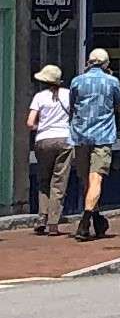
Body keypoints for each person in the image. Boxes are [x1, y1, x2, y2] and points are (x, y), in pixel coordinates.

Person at [66, 47, 120, 242]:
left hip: (80, 136)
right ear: (106, 64)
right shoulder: (112, 82)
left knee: (86, 181)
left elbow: (72, 105)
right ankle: (85, 222)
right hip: (102, 136)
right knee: (96, 180)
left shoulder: (77, 81)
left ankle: (97, 219)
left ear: (88, 63)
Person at [25, 65, 72, 236]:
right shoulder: (68, 94)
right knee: (59, 182)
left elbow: (30, 123)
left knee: (44, 180)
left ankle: (41, 218)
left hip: (43, 140)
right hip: (65, 139)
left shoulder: (39, 96)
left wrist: (42, 127)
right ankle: (53, 223)